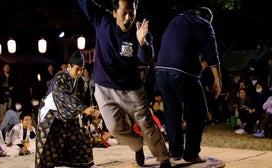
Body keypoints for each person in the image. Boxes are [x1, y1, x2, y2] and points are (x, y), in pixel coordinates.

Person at [77, 0, 171, 167]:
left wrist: (142, 42)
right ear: (114, 13)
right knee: (114, 128)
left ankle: (163, 158)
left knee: (147, 125)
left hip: (132, 89)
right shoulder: (102, 19)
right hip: (104, 88)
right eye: (124, 13)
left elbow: (147, 59)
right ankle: (137, 146)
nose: (128, 18)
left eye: (132, 13)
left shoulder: (139, 30)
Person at [155, 7, 222, 164]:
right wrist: (218, 79)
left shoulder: (178, 19)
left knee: (172, 112)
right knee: (199, 112)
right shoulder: (204, 24)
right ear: (207, 18)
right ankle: (191, 153)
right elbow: (212, 53)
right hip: (181, 73)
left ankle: (175, 151)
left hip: (161, 71)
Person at [35, 51, 100, 168]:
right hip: (51, 113)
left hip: (70, 113)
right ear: (69, 66)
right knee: (48, 145)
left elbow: (84, 100)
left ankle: (84, 164)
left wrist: (90, 113)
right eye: (77, 69)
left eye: (82, 69)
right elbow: (63, 96)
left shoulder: (80, 82)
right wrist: (83, 109)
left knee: (81, 134)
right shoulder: (60, 77)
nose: (80, 72)